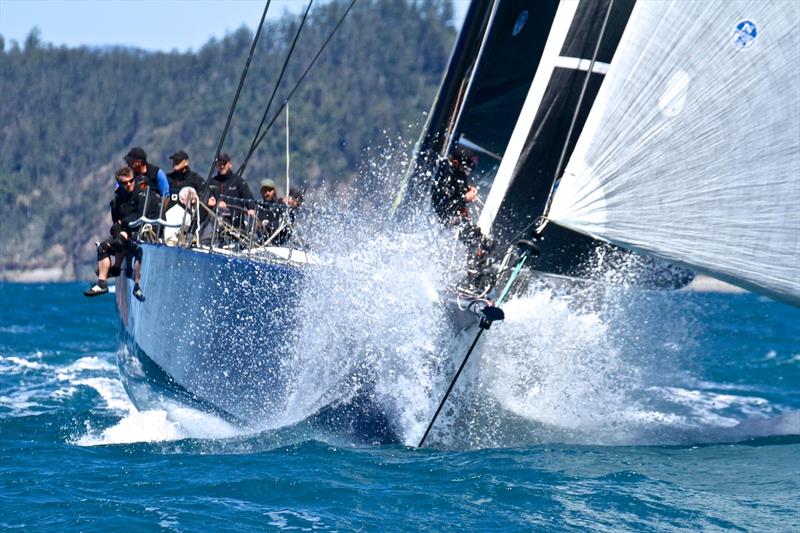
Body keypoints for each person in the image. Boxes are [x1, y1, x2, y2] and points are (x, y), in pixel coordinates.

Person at [84, 167, 158, 299]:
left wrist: (124, 226)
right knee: (103, 247)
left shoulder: (141, 194)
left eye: (131, 181)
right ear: (119, 182)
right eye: (125, 183)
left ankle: (118, 269)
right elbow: (115, 222)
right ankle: (102, 283)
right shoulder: (117, 199)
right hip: (122, 234)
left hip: (137, 234)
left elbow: (142, 216)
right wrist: (120, 229)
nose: (129, 184)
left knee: (121, 242)